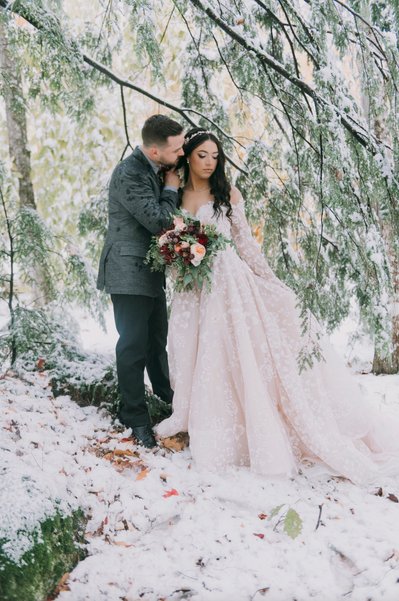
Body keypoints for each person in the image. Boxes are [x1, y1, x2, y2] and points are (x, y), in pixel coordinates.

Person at [155, 127, 399, 485]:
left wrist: (270, 279)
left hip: (229, 285)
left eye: (215, 156)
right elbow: (169, 240)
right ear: (188, 155)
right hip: (193, 289)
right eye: (202, 155)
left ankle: (244, 430)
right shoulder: (174, 195)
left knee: (230, 353)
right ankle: (192, 420)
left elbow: (245, 244)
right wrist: (179, 259)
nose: (209, 162)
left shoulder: (227, 194)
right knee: (191, 350)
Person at [97, 114, 185, 448]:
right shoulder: (130, 173)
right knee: (133, 346)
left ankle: (167, 400)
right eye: (176, 149)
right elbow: (160, 220)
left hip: (149, 272)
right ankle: (134, 417)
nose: (180, 155)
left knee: (155, 342)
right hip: (127, 270)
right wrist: (172, 188)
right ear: (153, 149)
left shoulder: (153, 167)